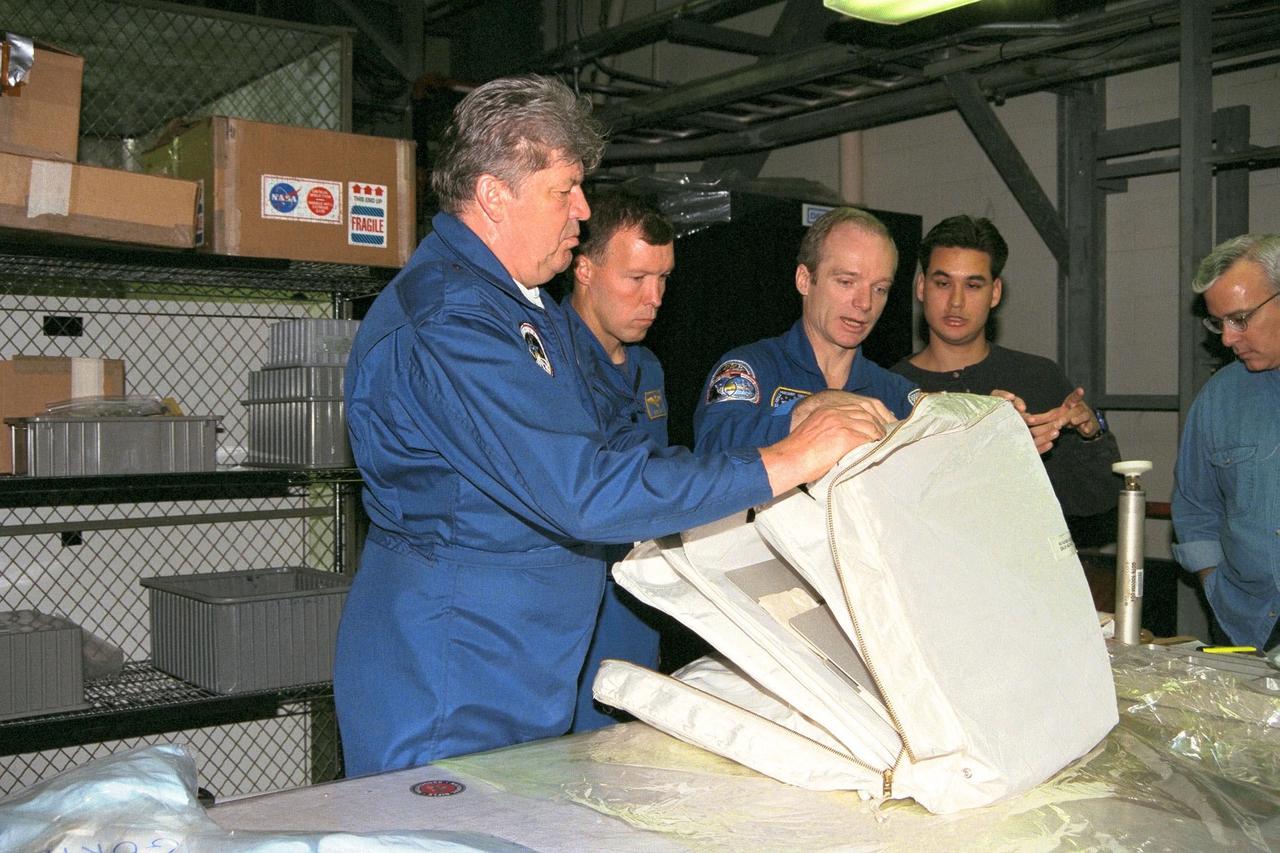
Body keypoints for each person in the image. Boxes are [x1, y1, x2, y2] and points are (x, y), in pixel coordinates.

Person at [336, 74, 892, 776]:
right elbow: (586, 489)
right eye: (564, 189)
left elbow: (626, 454)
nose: (582, 209)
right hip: (453, 675)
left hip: (522, 666)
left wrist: (795, 417)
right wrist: (785, 458)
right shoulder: (453, 319)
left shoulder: (524, 307)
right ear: (494, 195)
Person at [890, 215, 1121, 546]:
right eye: (943, 283)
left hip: (1026, 585)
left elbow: (1096, 502)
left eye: (973, 285)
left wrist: (1090, 435)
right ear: (921, 287)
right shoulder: (890, 389)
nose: (956, 301)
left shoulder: (1038, 378)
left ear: (994, 292)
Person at [561, 189, 674, 731]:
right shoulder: (546, 363)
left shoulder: (647, 367)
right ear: (584, 269)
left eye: (663, 279)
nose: (654, 297)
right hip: (569, 618)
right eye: (635, 279)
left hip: (635, 611)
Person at [694, 207, 917, 452]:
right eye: (846, 282)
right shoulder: (749, 369)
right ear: (804, 280)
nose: (865, 303)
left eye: (880, 289)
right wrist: (808, 411)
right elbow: (712, 450)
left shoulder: (895, 392)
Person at [1173, 233, 1280, 652]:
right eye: (1219, 323)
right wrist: (1215, 586)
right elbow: (1195, 506)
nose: (1227, 339)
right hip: (1247, 626)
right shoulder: (1220, 398)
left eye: (1240, 319)